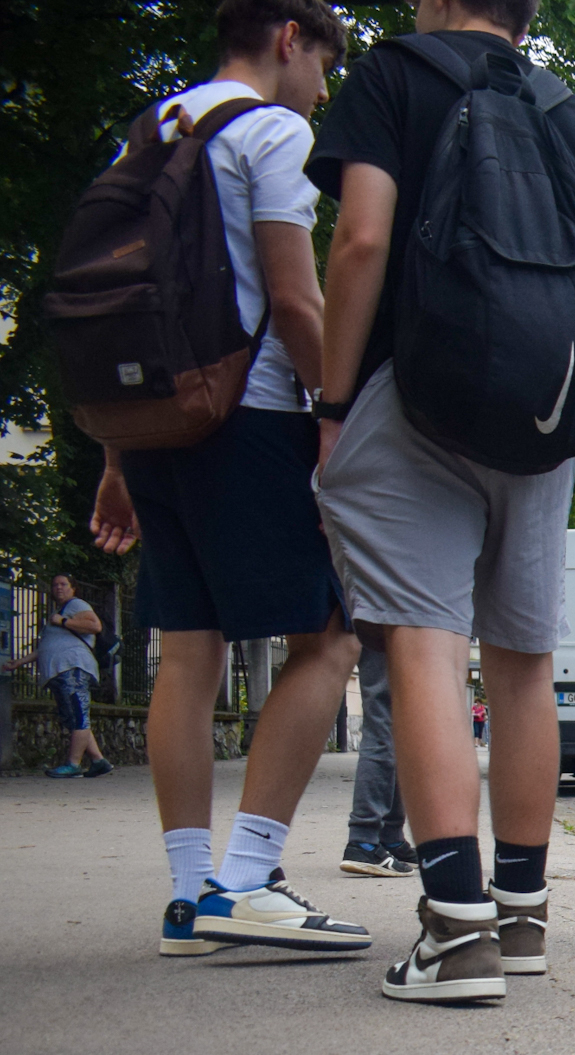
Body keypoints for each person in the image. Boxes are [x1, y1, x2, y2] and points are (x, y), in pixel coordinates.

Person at [307, 0, 575, 1003]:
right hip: (543, 418)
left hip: (412, 397)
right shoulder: (566, 115)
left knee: (423, 642)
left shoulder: (392, 75)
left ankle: (454, 935)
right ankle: (523, 922)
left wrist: (331, 408)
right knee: (523, 662)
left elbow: (361, 241)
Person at [88, 0, 372, 960]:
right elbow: (294, 296)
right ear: (289, 38)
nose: (325, 89)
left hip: (154, 421)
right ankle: (246, 880)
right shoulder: (270, 129)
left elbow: (128, 305)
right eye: (324, 64)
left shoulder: (148, 127)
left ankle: (186, 900)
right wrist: (338, 409)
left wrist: (118, 455)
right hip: (244, 414)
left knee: (186, 650)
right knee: (329, 640)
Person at [340, 645, 415, 874]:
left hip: (373, 616)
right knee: (385, 715)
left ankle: (389, 838)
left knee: (396, 723)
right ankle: (364, 840)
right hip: (401, 616)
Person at [33, 575, 112, 779]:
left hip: (74, 667)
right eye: (55, 584)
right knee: (73, 717)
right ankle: (98, 761)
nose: (58, 587)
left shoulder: (76, 605)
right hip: (60, 671)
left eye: (63, 584)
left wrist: (64, 621)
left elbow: (95, 626)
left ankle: (73, 764)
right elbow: (46, 646)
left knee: (78, 715)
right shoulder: (59, 611)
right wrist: (19, 662)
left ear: (73, 588)